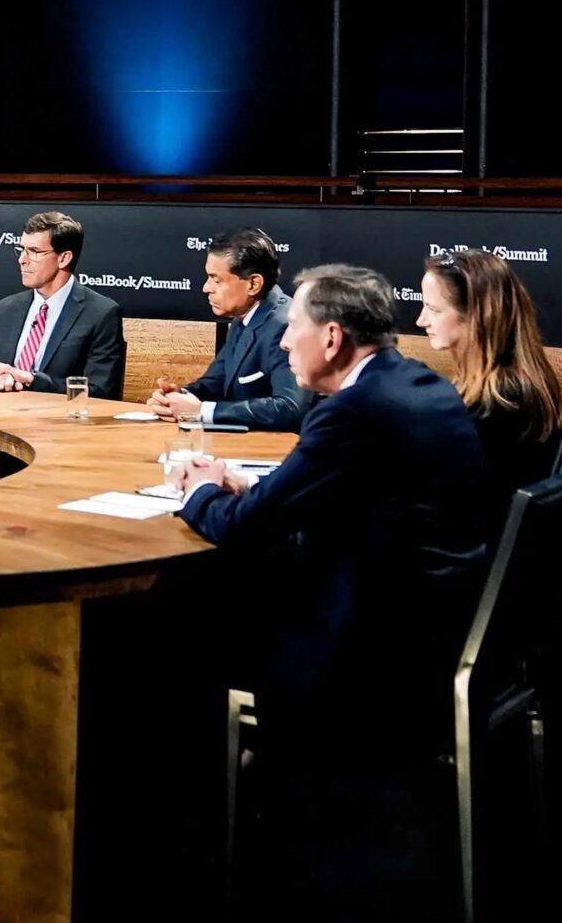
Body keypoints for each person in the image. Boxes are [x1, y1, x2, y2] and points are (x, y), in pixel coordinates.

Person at [168, 263, 494, 741]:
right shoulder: (421, 382)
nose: (282, 342)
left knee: (179, 627)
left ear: (332, 337)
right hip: (433, 614)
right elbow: (344, 491)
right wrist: (247, 486)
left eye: (293, 327)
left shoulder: (352, 410)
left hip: (372, 644)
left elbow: (241, 526)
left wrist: (196, 489)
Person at [418, 247, 562, 495]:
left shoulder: (498, 403)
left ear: (478, 316)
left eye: (434, 309)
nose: (421, 320)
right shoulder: (514, 386)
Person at [146, 226, 309, 431]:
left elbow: (289, 408)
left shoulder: (283, 326)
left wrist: (202, 411)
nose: (206, 288)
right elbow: (215, 382)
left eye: (216, 279)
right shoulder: (243, 318)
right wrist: (178, 398)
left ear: (253, 284)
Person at [0, 210, 124, 402]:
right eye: (22, 250)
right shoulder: (5, 310)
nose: (22, 260)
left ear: (64, 258)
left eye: (34, 252)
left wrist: (31, 380)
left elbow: (100, 392)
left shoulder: (101, 314)